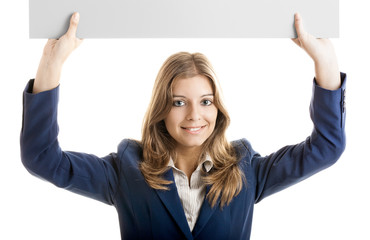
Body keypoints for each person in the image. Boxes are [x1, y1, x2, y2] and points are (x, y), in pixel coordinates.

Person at [21, 12, 346, 240]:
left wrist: (325, 62)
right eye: (179, 102)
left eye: (205, 101)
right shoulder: (126, 170)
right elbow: (42, 158)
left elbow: (326, 147)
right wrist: (52, 63)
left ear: (218, 107)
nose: (194, 114)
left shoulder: (246, 170)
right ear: (161, 108)